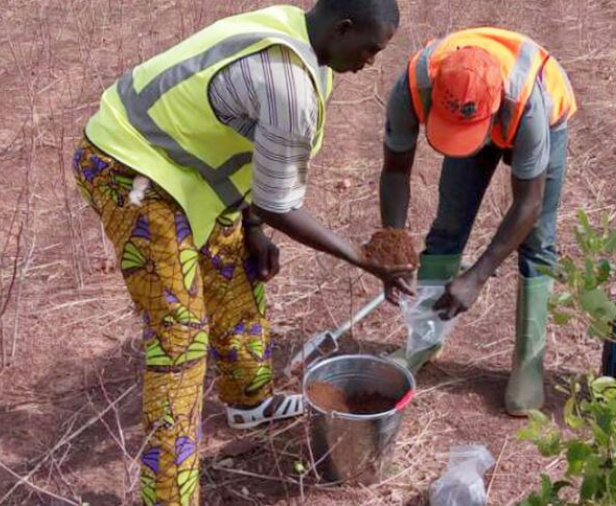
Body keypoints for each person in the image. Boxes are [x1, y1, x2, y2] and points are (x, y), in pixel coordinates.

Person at [72, 1, 408, 504]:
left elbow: (249, 145)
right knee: (180, 335)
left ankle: (248, 399)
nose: (371, 62)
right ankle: (169, 495)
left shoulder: (305, 43)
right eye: (370, 49)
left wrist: (249, 224)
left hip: (181, 171)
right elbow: (280, 205)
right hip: (130, 170)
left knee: (235, 271)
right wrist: (362, 258)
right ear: (342, 29)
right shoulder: (288, 83)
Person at [379, 27, 577, 416]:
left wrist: (478, 275)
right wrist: (393, 247)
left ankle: (527, 362)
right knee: (449, 225)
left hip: (542, 112)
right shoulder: (416, 82)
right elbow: (395, 171)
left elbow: (528, 204)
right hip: (480, 108)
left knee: (537, 242)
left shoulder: (528, 101)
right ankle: (424, 339)